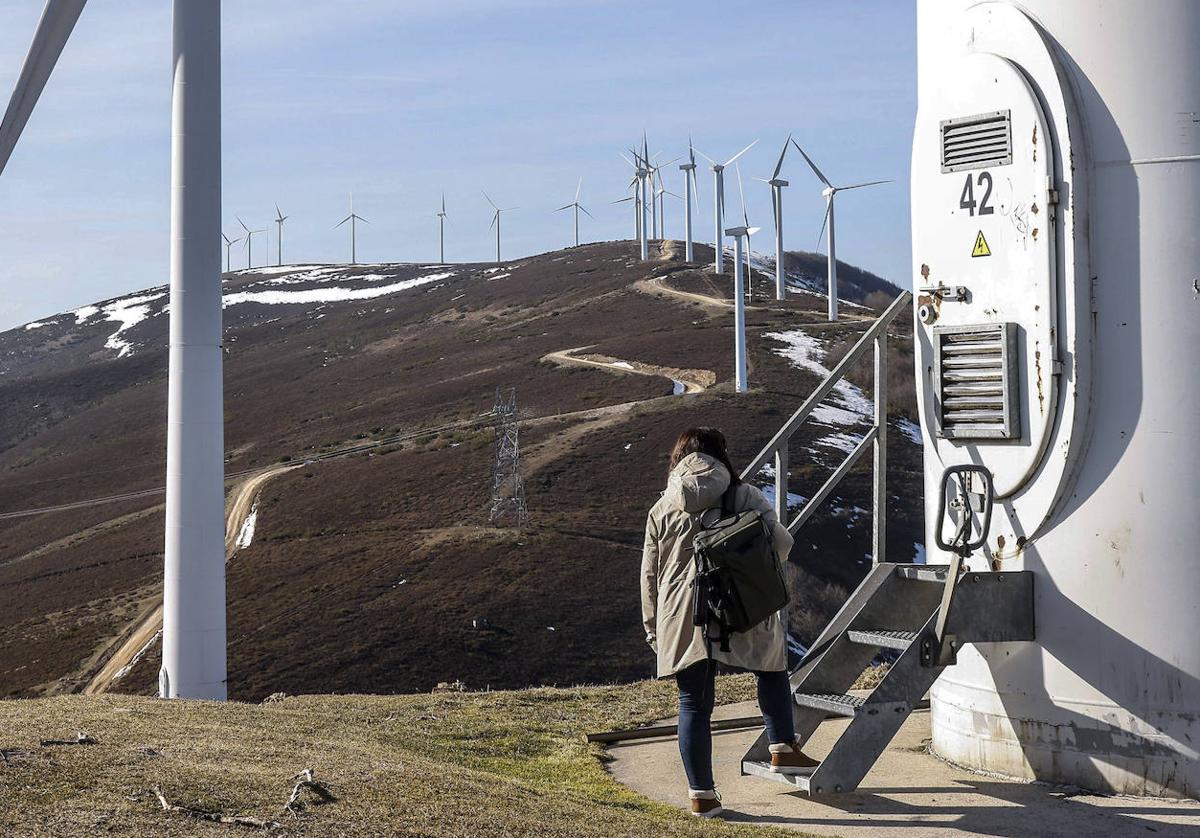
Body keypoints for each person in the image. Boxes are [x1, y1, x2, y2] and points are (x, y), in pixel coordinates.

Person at [640, 427, 818, 818]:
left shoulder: (662, 507)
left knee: (693, 703)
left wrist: (655, 628)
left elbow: (649, 577)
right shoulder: (745, 494)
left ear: (679, 458)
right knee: (771, 666)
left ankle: (702, 795)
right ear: (721, 455)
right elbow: (782, 545)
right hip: (740, 602)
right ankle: (782, 749)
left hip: (685, 612)